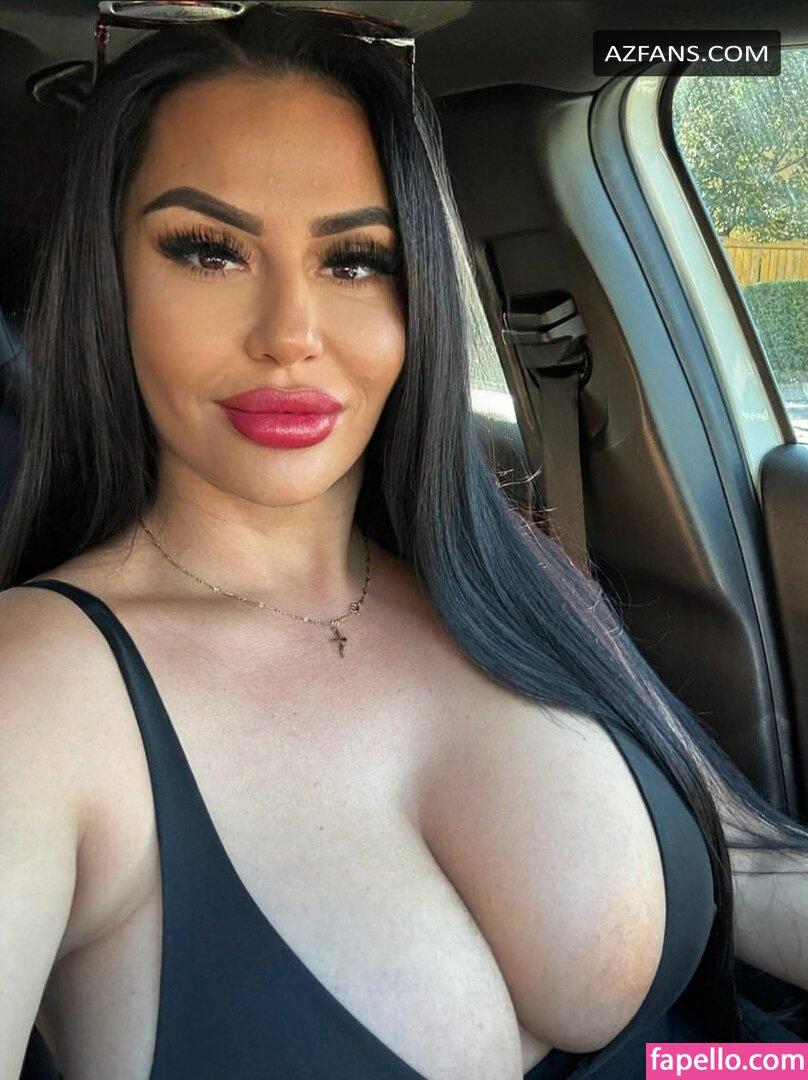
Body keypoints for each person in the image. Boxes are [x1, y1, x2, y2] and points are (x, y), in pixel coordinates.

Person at [1, 5, 807, 1079]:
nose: (290, 334)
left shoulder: (503, 573)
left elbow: (749, 867)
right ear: (108, 282)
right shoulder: (36, 686)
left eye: (354, 261)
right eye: (208, 250)